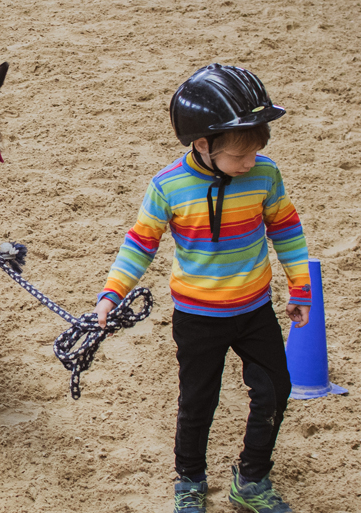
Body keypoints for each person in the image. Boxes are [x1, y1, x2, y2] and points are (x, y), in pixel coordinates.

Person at [93, 64, 312, 513]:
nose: (249, 162)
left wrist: (301, 288)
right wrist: (111, 293)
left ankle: (251, 478)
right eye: (239, 155)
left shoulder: (265, 175)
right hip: (198, 318)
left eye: (256, 150)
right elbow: (140, 244)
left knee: (276, 389)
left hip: (255, 310)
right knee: (198, 402)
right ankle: (190, 480)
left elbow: (287, 231)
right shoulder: (168, 186)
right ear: (202, 144)